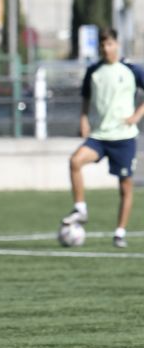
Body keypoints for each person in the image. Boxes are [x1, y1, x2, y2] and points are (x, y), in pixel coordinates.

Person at [61, 28, 144, 248]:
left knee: (125, 187)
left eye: (109, 44)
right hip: (99, 136)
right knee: (75, 161)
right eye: (102, 45)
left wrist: (137, 115)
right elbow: (86, 98)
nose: (105, 49)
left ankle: (119, 232)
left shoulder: (130, 70)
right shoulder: (93, 71)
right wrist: (83, 120)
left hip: (124, 138)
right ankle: (81, 208)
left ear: (117, 44)